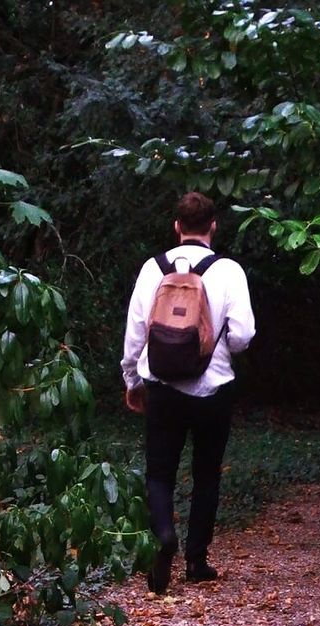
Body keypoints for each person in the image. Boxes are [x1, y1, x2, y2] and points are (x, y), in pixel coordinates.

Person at [120, 192, 256, 594]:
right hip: (213, 388)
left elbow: (135, 332)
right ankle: (197, 561)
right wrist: (222, 352)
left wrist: (132, 380)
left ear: (176, 226)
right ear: (213, 226)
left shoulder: (153, 269)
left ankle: (164, 535)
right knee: (206, 473)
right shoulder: (229, 271)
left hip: (162, 386)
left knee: (159, 472)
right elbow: (244, 335)